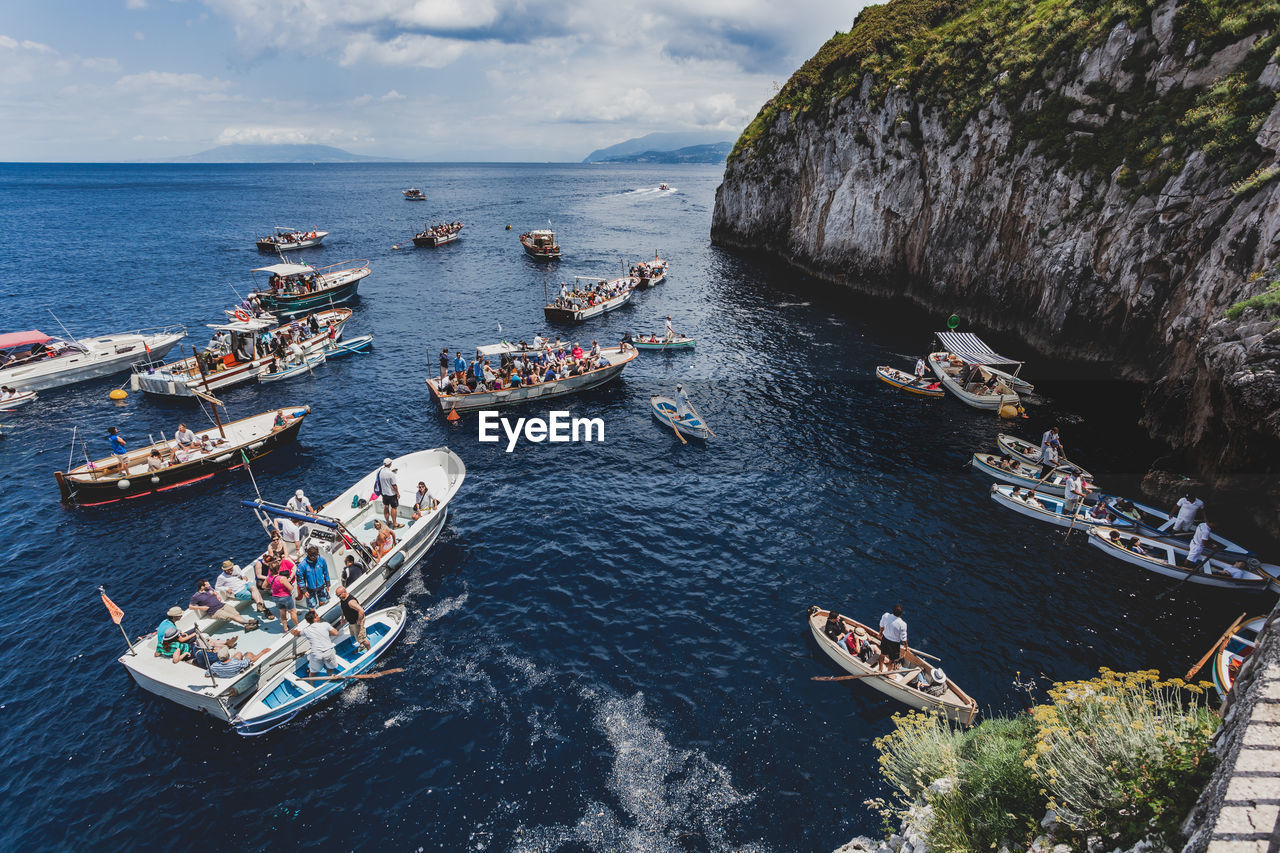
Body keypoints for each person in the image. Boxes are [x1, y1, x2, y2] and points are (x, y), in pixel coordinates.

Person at [189, 579, 260, 629]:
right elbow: (190, 606)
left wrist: (217, 595)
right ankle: (248, 622)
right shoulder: (196, 596)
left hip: (221, 605)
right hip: (214, 611)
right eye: (207, 585)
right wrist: (201, 608)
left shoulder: (209, 588)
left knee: (235, 613)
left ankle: (246, 625)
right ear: (202, 587)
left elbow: (214, 591)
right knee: (231, 616)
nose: (209, 585)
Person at [292, 610, 341, 677]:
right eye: (317, 615)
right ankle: (330, 677)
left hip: (316, 654)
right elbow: (336, 633)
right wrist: (326, 633)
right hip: (328, 652)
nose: (319, 616)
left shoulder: (306, 630)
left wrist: (293, 631)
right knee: (330, 668)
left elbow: (297, 633)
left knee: (313, 672)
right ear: (315, 618)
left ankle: (310, 685)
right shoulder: (325, 624)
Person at [335, 586, 370, 652]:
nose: (338, 597)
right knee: (355, 635)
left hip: (357, 622)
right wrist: (342, 617)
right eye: (337, 595)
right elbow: (343, 608)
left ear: (344, 592)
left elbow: (361, 611)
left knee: (362, 638)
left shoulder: (351, 602)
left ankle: (369, 650)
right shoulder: (343, 599)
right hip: (351, 622)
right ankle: (362, 646)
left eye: (339, 595)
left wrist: (359, 621)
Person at [297, 544, 331, 609]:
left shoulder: (322, 560)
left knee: (323, 602)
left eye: (315, 556)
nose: (314, 558)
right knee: (311, 607)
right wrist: (303, 590)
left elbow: (326, 572)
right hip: (310, 589)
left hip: (321, 587)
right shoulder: (302, 565)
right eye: (312, 556)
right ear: (308, 555)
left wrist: (328, 583)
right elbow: (300, 579)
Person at [878, 605, 908, 671]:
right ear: (901, 613)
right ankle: (888, 674)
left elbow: (881, 626)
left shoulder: (886, 616)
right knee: (892, 660)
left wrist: (880, 633)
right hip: (894, 644)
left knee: (882, 655)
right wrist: (906, 646)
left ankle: (880, 669)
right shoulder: (903, 624)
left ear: (893, 611)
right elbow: (904, 639)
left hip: (885, 640)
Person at [377, 457, 401, 528]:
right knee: (394, 508)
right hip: (391, 494)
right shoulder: (391, 474)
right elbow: (394, 486)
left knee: (386, 507)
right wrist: (397, 493)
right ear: (390, 464)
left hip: (384, 494)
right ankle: (395, 524)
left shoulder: (380, 471)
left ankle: (387, 522)